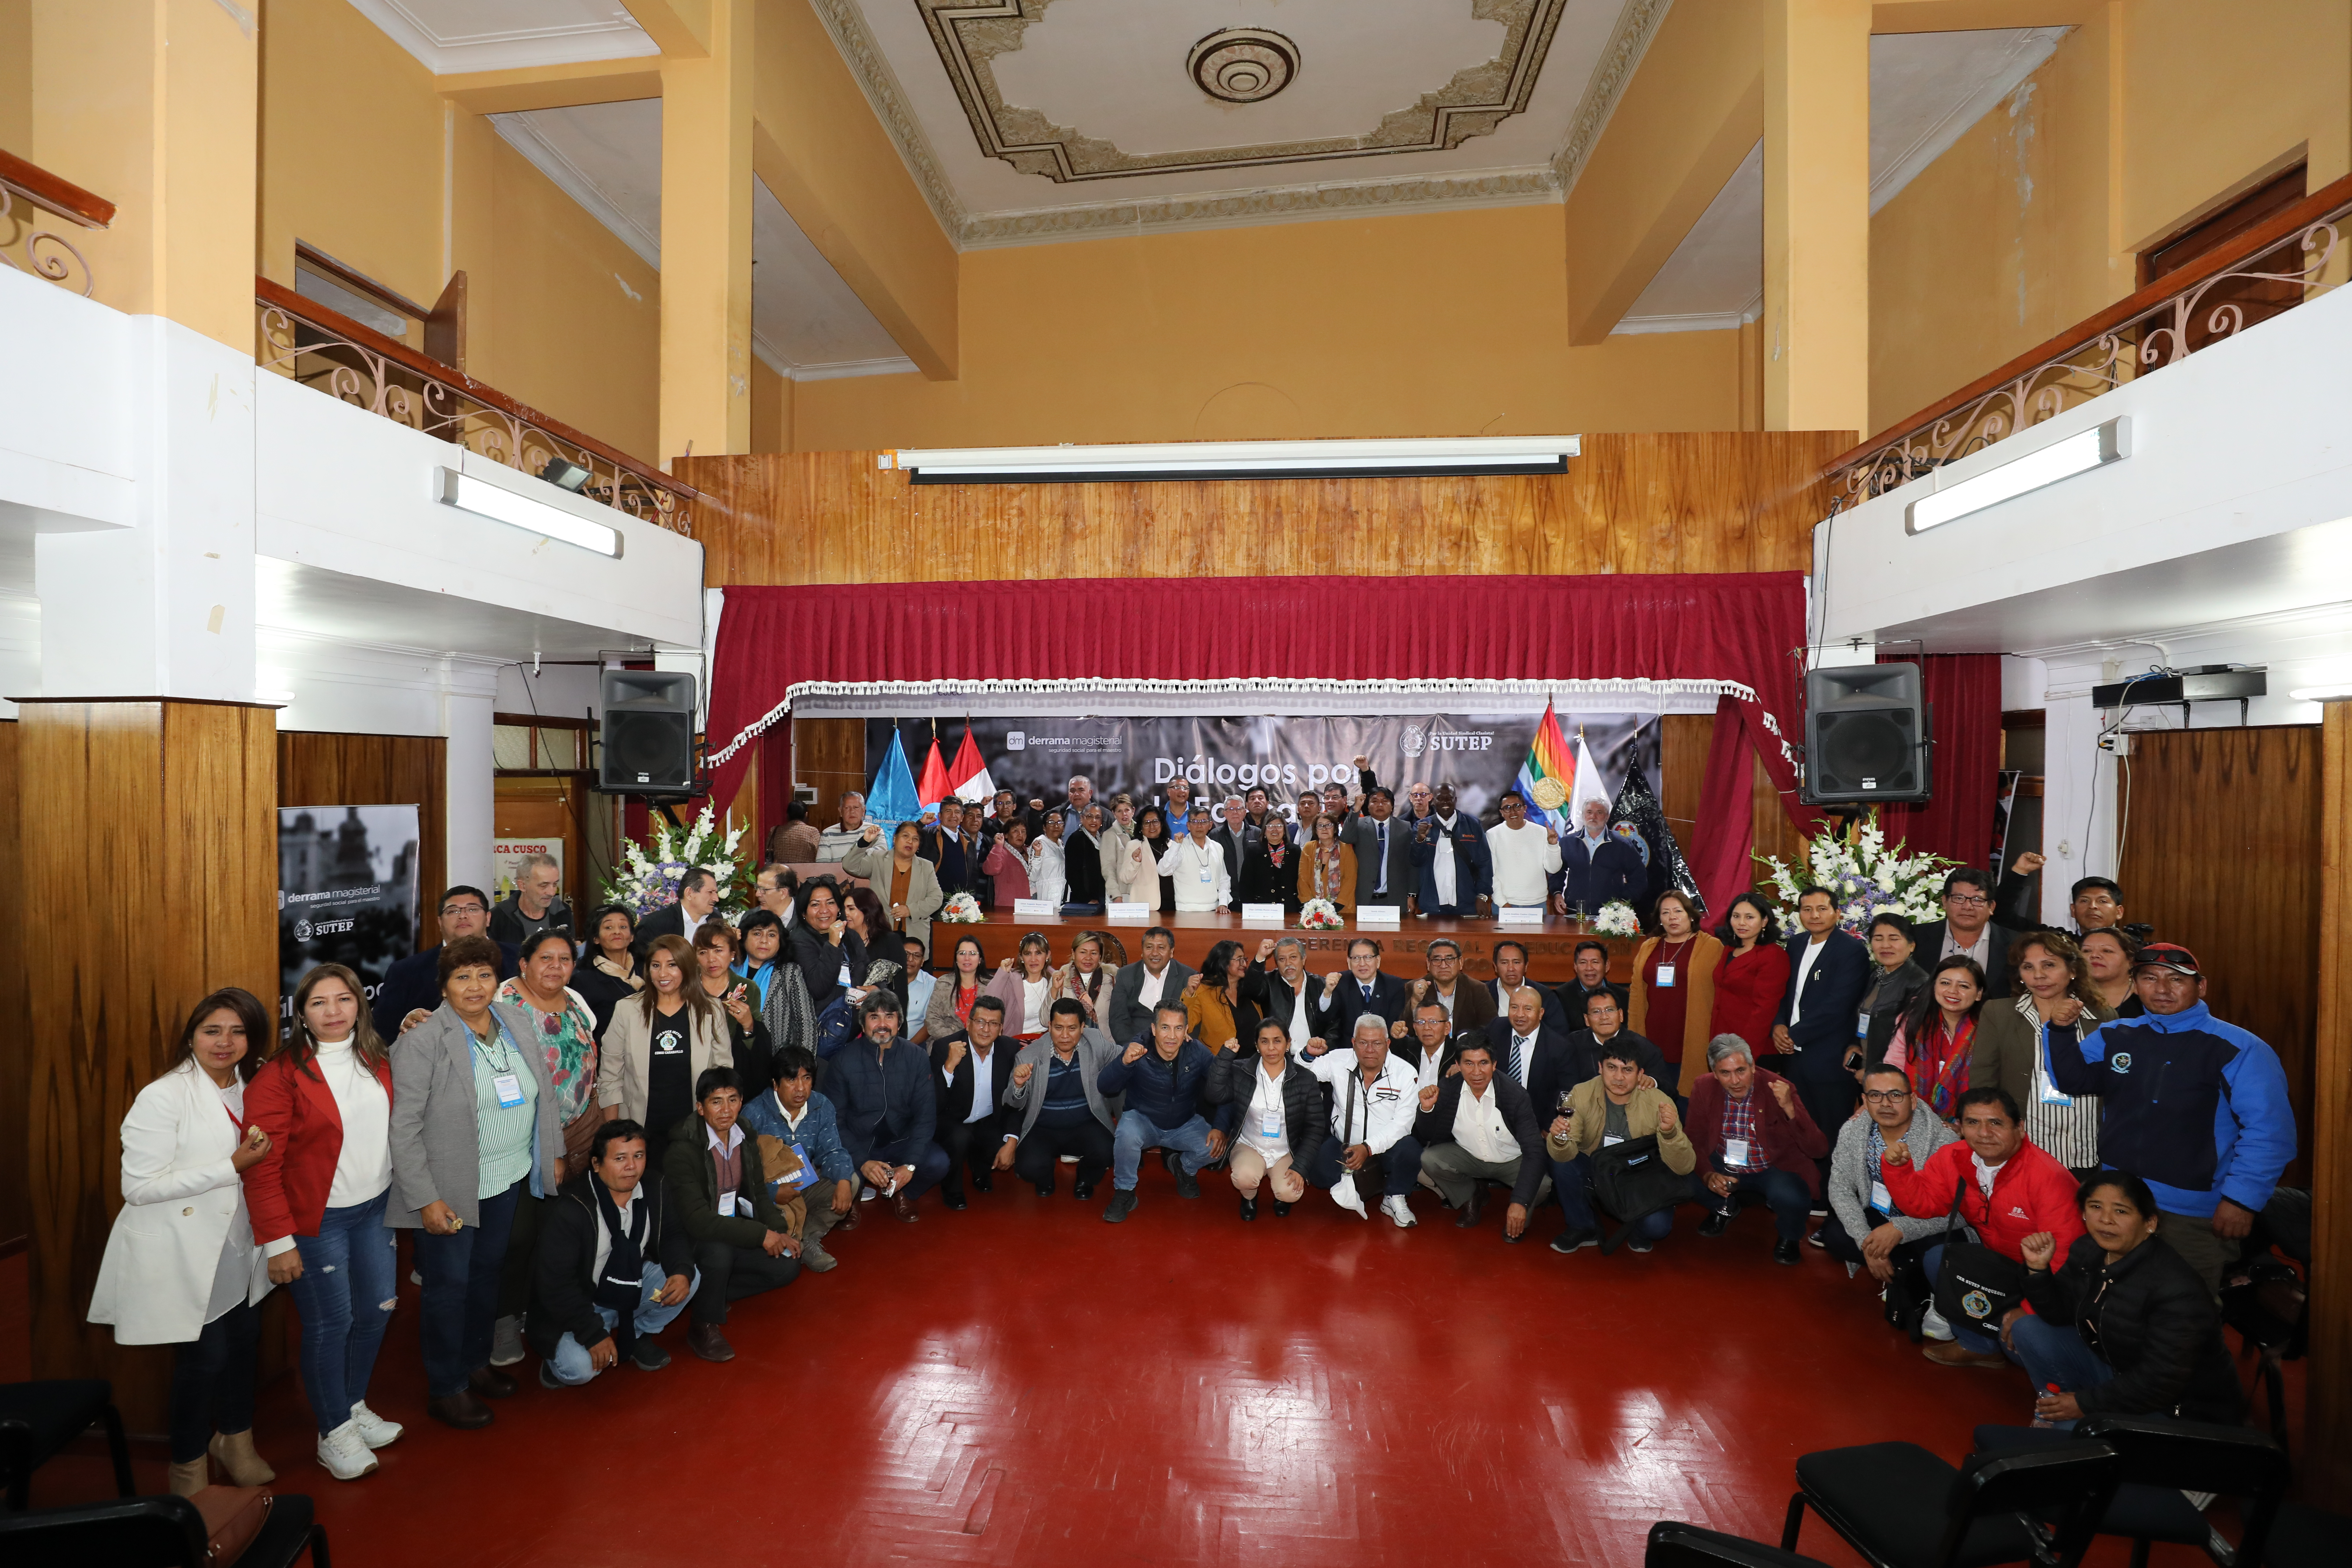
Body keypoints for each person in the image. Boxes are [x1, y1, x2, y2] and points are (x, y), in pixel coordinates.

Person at [91, 988, 278, 1496]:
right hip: (183, 1251)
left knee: (244, 1348)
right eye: (212, 1031)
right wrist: (229, 1168)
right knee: (205, 1361)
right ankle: (187, 1466)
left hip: (239, 1246)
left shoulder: (252, 1087)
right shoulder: (163, 1095)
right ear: (191, 1036)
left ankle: (235, 1443)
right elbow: (139, 1187)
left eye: (238, 1031)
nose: (225, 1042)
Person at [2046, 943, 2296, 1295]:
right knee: (2117, 1301)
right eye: (2150, 978)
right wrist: (2059, 1031)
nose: (2162, 989)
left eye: (2176, 979)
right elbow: (2072, 1081)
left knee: (2185, 1317)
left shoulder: (2240, 1048)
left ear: (2201, 986)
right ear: (2135, 985)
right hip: (2121, 1199)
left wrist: (2242, 1201)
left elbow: (2270, 1134)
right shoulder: (2116, 1035)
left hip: (2193, 1213)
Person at [388, 935, 564, 1430]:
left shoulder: (514, 1020)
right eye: (462, 976)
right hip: (452, 1188)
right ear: (443, 986)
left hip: (507, 1178)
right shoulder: (423, 1041)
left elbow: (541, 1093)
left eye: (484, 974)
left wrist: (548, 1154)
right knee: (449, 1287)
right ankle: (446, 1388)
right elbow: (402, 1128)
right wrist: (426, 1198)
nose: (475, 986)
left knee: (488, 1277)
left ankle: (474, 1363)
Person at [242, 965, 401, 1480]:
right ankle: (333, 1432)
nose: (334, 1012)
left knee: (377, 1311)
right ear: (301, 1014)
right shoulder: (279, 1076)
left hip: (376, 1208)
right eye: (319, 1003)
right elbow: (262, 1170)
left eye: (344, 1000)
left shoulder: (377, 1058)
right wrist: (278, 1243)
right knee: (332, 1324)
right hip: (317, 1222)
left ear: (360, 1003)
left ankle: (352, 1406)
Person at [2007, 1171, 2245, 1426]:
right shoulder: (2088, 1250)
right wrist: (2037, 1271)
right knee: (2028, 1329)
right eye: (2096, 1207)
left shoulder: (2177, 1290)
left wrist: (2084, 1405)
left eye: (2121, 1211)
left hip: (2176, 1406)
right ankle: (2060, 1404)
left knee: (2073, 1430)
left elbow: (2161, 1381)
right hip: (2117, 1368)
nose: (2106, 1220)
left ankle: (2073, 1416)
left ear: (2150, 1223)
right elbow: (2060, 1315)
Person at [1878, 1086, 2087, 1367]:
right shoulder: (1954, 1157)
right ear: (1961, 1128)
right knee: (1940, 1259)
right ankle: (1978, 1345)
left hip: (2048, 1281)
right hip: (2003, 1267)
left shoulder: (2048, 1178)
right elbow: (1923, 1204)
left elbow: (2067, 1257)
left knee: (2026, 1347)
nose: (1984, 1133)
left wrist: (2029, 1309)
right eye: (1973, 1123)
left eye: (1996, 1123)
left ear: (2020, 1128)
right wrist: (1900, 1170)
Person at [486, 930, 606, 1372]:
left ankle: (547, 1312)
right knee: (519, 1237)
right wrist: (550, 1144)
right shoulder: (501, 1006)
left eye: (565, 959)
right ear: (523, 964)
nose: (556, 967)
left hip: (582, 1131)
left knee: (562, 1232)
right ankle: (503, 1319)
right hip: (528, 1138)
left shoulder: (575, 999)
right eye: (545, 959)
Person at [530, 1118, 696, 1386]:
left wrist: (681, 1272)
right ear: (596, 1164)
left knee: (690, 1276)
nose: (631, 1167)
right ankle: (559, 1361)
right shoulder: (572, 1208)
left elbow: (672, 1235)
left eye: (639, 1156)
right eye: (620, 1158)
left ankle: (639, 1334)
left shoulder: (655, 1186)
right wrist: (592, 1334)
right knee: (581, 1370)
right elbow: (556, 1285)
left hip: (628, 1284)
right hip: (582, 1302)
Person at [665, 1068, 799, 1363]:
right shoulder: (682, 1150)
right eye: (716, 1102)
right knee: (719, 1253)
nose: (726, 1110)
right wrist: (762, 1235)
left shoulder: (744, 1136)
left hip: (733, 1226)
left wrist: (779, 1230)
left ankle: (711, 1293)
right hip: (692, 1238)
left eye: (733, 1100)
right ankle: (703, 1325)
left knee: (787, 1266)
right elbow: (698, 1220)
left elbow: (758, 1194)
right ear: (700, 1108)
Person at [1971, 930, 2113, 1175]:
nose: (2039, 975)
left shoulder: (2103, 1017)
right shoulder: (1999, 1013)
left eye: (2049, 965)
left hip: (2086, 1148)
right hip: (2024, 1148)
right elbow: (1983, 1080)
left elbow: (2114, 1083)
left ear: (2073, 970)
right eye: (2028, 967)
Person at [1545, 1037, 1694, 1254]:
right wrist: (1560, 1139)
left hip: (1640, 1175)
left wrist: (1670, 1134)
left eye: (1627, 1070)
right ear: (1600, 1068)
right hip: (1597, 1168)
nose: (1619, 1077)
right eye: (1612, 1068)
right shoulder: (1581, 1093)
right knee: (1563, 1164)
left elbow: (1685, 1167)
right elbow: (1564, 1154)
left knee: (1658, 1229)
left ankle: (1639, 1230)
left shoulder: (1660, 1102)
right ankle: (1583, 1227)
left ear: (1640, 1074)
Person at [1688, 1035, 1828, 1264]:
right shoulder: (1703, 1087)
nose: (1735, 1081)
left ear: (1754, 1067)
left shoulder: (1779, 1088)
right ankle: (1724, 1209)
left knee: (1792, 1196)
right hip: (1725, 1164)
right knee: (1684, 1175)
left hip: (1772, 1167)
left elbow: (1819, 1149)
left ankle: (1789, 1236)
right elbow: (1693, 1138)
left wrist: (1790, 1108)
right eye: (1725, 1073)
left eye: (1741, 1070)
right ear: (1714, 1073)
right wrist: (1707, 1174)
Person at [1820, 1062, 1960, 1278]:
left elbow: (1960, 1213)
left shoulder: (1944, 1141)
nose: (1886, 1104)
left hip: (1926, 1222)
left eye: (1896, 1095)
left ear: (1913, 1100)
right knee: (1836, 1236)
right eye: (1876, 1095)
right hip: (1879, 1211)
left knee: (1940, 1251)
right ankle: (1905, 1271)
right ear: (1865, 1101)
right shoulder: (1853, 1131)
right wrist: (1868, 1244)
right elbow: (1840, 1189)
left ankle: (1909, 1274)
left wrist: (1900, 1229)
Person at [1097, 1003, 1232, 1223]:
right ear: (1153, 1029)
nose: (1172, 1036)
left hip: (1185, 1123)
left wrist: (1220, 1127)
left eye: (1179, 1028)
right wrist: (1124, 1063)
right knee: (1127, 1133)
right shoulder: (1137, 1050)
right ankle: (1125, 1191)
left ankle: (1183, 1166)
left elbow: (1223, 1087)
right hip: (1144, 1121)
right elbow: (1105, 1087)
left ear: (1187, 1029)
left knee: (1216, 1148)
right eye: (1165, 1028)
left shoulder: (1197, 1051)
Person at [1770, 886, 1873, 1169]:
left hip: (1829, 1058)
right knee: (1798, 1126)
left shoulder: (1852, 951)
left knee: (1830, 1131)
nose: (1814, 915)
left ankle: (1832, 1199)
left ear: (1838, 914)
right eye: (1807, 910)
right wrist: (1778, 1025)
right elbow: (1786, 993)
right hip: (1794, 1057)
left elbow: (1838, 1006)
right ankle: (1808, 1190)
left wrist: (1794, 1034)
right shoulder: (1796, 944)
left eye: (1822, 909)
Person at [822, 991, 948, 1221]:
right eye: (874, 1017)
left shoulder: (917, 1057)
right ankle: (855, 1194)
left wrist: (909, 1165)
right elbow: (834, 1121)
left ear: (899, 1023)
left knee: (938, 1163)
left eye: (889, 1017)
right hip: (859, 1141)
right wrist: (863, 1161)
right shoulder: (843, 1061)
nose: (882, 1025)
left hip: (901, 1140)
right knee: (839, 1170)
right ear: (863, 1024)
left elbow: (926, 1116)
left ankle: (903, 1193)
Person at [1413, 1037, 1548, 1240]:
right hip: (1469, 1155)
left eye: (1483, 1063)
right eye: (1469, 1064)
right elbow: (1427, 1135)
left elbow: (1535, 1151)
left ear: (1494, 1064)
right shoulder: (1449, 1089)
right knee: (1429, 1160)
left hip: (1511, 1162)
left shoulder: (1515, 1095)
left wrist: (1519, 1202)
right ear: (1458, 1066)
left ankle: (1518, 1216)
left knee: (1543, 1186)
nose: (1477, 1072)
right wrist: (1427, 1109)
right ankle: (1472, 1196)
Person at [739, 1045, 855, 1271]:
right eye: (792, 1080)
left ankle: (809, 1238)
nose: (800, 1088)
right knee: (780, 1262)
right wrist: (772, 1192)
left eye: (807, 1078)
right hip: (768, 1193)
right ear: (775, 1084)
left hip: (805, 1181)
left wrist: (844, 1181)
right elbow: (740, 1175)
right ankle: (786, 1235)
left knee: (850, 1180)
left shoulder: (821, 1106)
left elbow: (833, 1151)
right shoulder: (753, 1115)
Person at [1302, 1015, 1424, 1227]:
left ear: (1387, 1044)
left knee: (1412, 1150)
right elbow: (1302, 1075)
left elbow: (1403, 1124)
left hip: (1387, 1146)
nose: (1370, 1050)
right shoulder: (1337, 1060)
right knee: (1319, 1173)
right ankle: (1354, 1183)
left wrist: (1367, 1149)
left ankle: (1395, 1196)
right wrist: (1307, 1055)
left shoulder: (1405, 1073)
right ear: (1353, 1043)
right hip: (1344, 1142)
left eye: (1377, 1043)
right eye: (1363, 1043)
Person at [1000, 997, 1122, 1197]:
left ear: (1083, 1027)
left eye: (1072, 1028)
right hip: (1043, 1128)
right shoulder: (1028, 1056)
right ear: (1049, 1026)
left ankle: (1085, 1179)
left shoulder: (1096, 1043)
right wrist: (1018, 1086)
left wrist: (1156, 1046)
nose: (1065, 1036)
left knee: (1107, 1151)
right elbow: (1012, 1103)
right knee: (1029, 1166)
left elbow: (1125, 1057)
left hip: (1087, 1125)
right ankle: (1045, 1179)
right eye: (1058, 1028)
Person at [1207, 1019, 1328, 1219]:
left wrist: (1301, 1167)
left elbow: (1315, 1128)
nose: (1271, 1048)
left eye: (1278, 1041)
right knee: (1244, 1178)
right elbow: (1214, 1095)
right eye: (1264, 1042)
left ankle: (1281, 1197)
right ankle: (1249, 1197)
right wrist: (1225, 1057)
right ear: (1257, 1045)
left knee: (1290, 1192)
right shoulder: (1242, 1071)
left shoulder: (1305, 1079)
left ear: (1288, 1044)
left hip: (1286, 1149)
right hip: (1250, 1144)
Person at [372, 886, 520, 1039]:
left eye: (472, 909)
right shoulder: (406, 971)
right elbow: (381, 1032)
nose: (463, 916)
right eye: (453, 911)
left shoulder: (520, 958)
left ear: (488, 918)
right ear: (440, 922)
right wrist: (408, 1025)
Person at [929, 996, 1021, 1210]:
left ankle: (980, 1168)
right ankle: (951, 1189)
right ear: (968, 1024)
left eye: (993, 1024)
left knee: (1005, 1144)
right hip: (952, 1120)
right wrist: (949, 1067)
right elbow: (934, 1104)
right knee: (961, 1138)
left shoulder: (1010, 1049)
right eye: (980, 1022)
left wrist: (1012, 1141)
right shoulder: (945, 1048)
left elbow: (1016, 1100)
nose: (986, 1029)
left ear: (1001, 1028)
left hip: (988, 1119)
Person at [1627, 890, 1721, 1097]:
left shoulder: (1711, 946)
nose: (1672, 918)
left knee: (1689, 1102)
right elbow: (1636, 995)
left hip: (1692, 1037)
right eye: (1665, 913)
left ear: (1691, 915)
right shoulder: (1649, 947)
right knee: (1654, 1103)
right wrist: (1633, 1037)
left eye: (1678, 911)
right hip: (1652, 1036)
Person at [1882, 955, 1988, 1122]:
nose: (1953, 991)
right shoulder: (1913, 1021)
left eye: (1964, 986)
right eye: (1945, 983)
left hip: (1973, 1119)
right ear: (1933, 986)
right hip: (1914, 1115)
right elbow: (1893, 1069)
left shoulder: (1988, 1028)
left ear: (1979, 994)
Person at [693, 921, 774, 1102]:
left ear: (732, 954)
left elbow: (756, 1046)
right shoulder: (688, 988)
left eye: (719, 950)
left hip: (734, 1075)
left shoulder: (748, 988)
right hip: (692, 1072)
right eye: (703, 952)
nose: (711, 959)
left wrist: (748, 1024)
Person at [1709, 893, 1791, 1069]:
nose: (1741, 923)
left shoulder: (1773, 956)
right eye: (1736, 916)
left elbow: (1765, 1009)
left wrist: (1745, 1053)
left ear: (1764, 922)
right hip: (1722, 1041)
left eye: (1750, 917)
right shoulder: (1728, 949)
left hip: (1753, 1048)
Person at [1909, 868, 2018, 999]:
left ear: (1991, 907)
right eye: (1959, 898)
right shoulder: (1914, 938)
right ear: (1944, 902)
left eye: (1977, 900)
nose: (1968, 907)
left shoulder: (2017, 944)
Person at [846, 818, 945, 961]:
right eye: (906, 836)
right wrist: (865, 842)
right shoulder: (878, 859)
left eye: (915, 839)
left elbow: (937, 899)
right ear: (894, 839)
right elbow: (850, 866)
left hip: (914, 934)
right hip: (881, 932)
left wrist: (911, 910)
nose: (910, 842)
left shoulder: (926, 866)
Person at [1559, 988, 1671, 1095]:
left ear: (1621, 1015)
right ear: (1587, 1020)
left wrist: (1653, 1081)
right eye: (1596, 1012)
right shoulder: (1572, 1045)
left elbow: (1670, 1090)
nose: (1604, 1017)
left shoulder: (1643, 1047)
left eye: (1610, 1010)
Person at [784, 876, 869, 1017]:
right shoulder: (797, 941)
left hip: (853, 1021)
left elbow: (867, 970)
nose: (824, 910)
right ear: (804, 912)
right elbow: (819, 989)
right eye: (815, 905)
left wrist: (875, 988)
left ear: (838, 908)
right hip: (820, 1026)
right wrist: (833, 945)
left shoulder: (851, 936)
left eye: (830, 903)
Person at [1486, 985, 1577, 1113]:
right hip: (1494, 1114)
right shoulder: (1497, 1028)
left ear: (1541, 1014)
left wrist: (1548, 1127)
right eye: (1514, 1007)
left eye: (1528, 1009)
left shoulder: (1560, 1048)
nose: (1520, 1015)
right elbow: (1474, 1041)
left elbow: (1565, 1092)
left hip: (1536, 1121)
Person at [1240, 936, 1332, 1060]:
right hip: (1279, 1059)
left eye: (1293, 957)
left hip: (1316, 1058)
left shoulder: (1321, 985)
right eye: (1282, 959)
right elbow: (1251, 989)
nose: (1288, 964)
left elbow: (1334, 1025)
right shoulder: (1269, 983)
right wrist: (1260, 958)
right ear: (1277, 963)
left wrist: (1326, 1049)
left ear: (1304, 959)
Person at [1409, 783, 1491, 918]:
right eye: (1441, 799)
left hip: (1467, 904)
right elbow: (1416, 862)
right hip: (1432, 905)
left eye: (1450, 798)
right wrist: (1420, 839)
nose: (1445, 802)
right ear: (1434, 801)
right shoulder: (1422, 826)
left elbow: (1485, 863)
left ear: (1456, 800)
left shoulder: (1472, 824)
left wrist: (1482, 895)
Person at [1107, 926, 1197, 1047]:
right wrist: (1130, 1046)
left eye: (1161, 948)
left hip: (1175, 1048)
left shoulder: (1188, 977)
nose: (1155, 953)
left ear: (1171, 952)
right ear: (1142, 951)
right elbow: (1118, 1019)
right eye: (1149, 947)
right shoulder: (1126, 975)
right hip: (1136, 1047)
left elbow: (1193, 1022)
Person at [1860, 912, 1928, 1064]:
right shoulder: (1876, 975)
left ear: (1912, 945)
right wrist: (1854, 1045)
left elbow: (1911, 1041)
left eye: (1894, 939)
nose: (1885, 945)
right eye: (1878, 939)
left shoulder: (1920, 983)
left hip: (1890, 1070)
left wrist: (1876, 1071)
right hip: (1866, 1062)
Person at [1559, 796, 1642, 915]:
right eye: (1589, 812)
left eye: (1599, 813)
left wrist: (1624, 900)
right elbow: (1557, 871)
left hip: (1610, 915)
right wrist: (1557, 893)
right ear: (1584, 816)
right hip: (1575, 911)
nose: (1593, 817)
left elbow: (1639, 878)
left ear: (1607, 817)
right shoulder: (1568, 842)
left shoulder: (1622, 845)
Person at [1319, 937, 1411, 1044]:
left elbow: (1394, 1023)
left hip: (1383, 1050)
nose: (1362, 964)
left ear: (1378, 961)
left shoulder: (1394, 985)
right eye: (1356, 958)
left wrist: (1396, 1030)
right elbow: (1325, 1019)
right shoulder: (1340, 983)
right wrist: (1328, 992)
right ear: (1349, 962)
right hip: (1348, 1049)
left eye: (1368, 957)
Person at [574, 903, 645, 1039]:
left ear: (632, 936)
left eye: (623, 927)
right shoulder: (584, 980)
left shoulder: (648, 968)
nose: (617, 932)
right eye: (608, 928)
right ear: (596, 938)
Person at [1486, 790, 1562, 910]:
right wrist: (1503, 903)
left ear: (1525, 808)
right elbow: (1491, 874)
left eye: (1517, 806)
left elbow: (1553, 869)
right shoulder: (1492, 835)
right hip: (1504, 904)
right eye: (1507, 808)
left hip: (1537, 904)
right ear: (1502, 813)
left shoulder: (1542, 832)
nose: (1513, 812)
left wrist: (1553, 846)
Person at [1406, 938, 1497, 1037]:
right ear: (1428, 964)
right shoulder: (1414, 988)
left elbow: (1491, 1029)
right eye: (1437, 960)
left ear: (1461, 963)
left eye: (1450, 959)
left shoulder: (1478, 989)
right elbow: (1406, 1031)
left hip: (1464, 1049)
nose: (1444, 966)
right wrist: (1415, 1001)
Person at [1340, 782, 1408, 910]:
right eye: (1375, 801)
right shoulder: (1359, 825)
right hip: (1364, 896)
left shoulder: (1405, 828)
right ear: (1368, 806)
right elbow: (1345, 839)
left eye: (1385, 801)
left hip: (1395, 897)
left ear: (1392, 806)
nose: (1380, 805)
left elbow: (1410, 864)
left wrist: (1412, 895)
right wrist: (1356, 809)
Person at [1188, 939, 1260, 1058]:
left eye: (1244, 959)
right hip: (1219, 1063)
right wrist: (1189, 994)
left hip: (1254, 1064)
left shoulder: (1250, 987)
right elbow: (1188, 1025)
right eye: (1239, 960)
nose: (1244, 964)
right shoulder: (1203, 991)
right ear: (1224, 962)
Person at [985, 932, 1060, 1043]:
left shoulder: (1056, 981)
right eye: (1028, 954)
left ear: (1048, 955)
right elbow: (989, 1002)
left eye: (1038, 953)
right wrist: (1002, 974)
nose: (1033, 959)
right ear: (1021, 957)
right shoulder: (1012, 980)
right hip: (1016, 1042)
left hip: (1048, 1041)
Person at [488, 853, 572, 948]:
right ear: (522, 886)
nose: (552, 893)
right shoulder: (499, 917)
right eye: (544, 886)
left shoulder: (562, 911)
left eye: (555, 884)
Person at [635, 867, 723, 958]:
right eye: (710, 892)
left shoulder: (716, 919)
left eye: (716, 893)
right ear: (689, 893)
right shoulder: (655, 924)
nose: (716, 899)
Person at [1158, 805, 1230, 913]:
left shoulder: (1217, 847)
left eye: (1203, 821)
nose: (1199, 826)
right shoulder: (1179, 847)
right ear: (1188, 826)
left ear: (1210, 825)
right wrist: (1176, 846)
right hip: (1185, 910)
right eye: (1195, 822)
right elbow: (1163, 871)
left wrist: (1224, 903)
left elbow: (1224, 879)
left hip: (1214, 909)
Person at [1487, 940, 1569, 1035]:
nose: (1511, 968)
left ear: (1526, 966)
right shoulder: (1483, 993)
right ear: (1496, 967)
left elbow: (1559, 1033)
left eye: (1516, 962)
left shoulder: (1544, 995)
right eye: (1505, 963)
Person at [926, 934, 990, 1043]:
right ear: (956, 959)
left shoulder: (991, 985)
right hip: (947, 1042)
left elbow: (995, 1021)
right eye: (962, 953)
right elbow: (932, 1019)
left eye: (973, 954)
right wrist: (956, 1041)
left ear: (980, 960)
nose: (967, 958)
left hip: (981, 1044)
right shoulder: (943, 983)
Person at [1050, 930, 1118, 1031]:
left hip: (1104, 1045)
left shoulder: (1112, 980)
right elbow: (1045, 1020)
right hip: (1069, 1044)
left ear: (1100, 956)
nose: (1088, 958)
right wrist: (1054, 990)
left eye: (1094, 953)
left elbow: (1121, 1018)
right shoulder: (1061, 979)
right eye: (1083, 952)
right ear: (1073, 954)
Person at [1239, 815, 1302, 912]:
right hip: (1261, 909)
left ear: (1285, 830)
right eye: (1270, 826)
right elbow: (1245, 884)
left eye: (1279, 826)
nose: (1275, 830)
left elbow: (1301, 881)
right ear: (1264, 830)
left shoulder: (1295, 851)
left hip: (1290, 909)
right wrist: (1249, 909)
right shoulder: (1254, 851)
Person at [921, 799, 982, 898]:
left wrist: (970, 898)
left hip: (960, 904)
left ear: (962, 818)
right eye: (948, 811)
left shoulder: (968, 841)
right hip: (932, 901)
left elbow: (973, 875)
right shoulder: (927, 835)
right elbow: (908, 836)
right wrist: (921, 823)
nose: (953, 816)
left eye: (957, 812)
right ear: (940, 816)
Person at [2079, 926, 2144, 1017]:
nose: (2094, 955)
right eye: (2087, 951)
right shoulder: (2068, 996)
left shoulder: (2146, 998)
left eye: (2107, 951)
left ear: (2130, 961)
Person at [1298, 811, 1357, 912]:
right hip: (1314, 910)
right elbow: (1303, 879)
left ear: (1335, 829)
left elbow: (1350, 880)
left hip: (1343, 909)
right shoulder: (1309, 848)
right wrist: (1310, 906)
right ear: (1316, 830)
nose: (1324, 829)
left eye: (1328, 825)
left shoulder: (1346, 849)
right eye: (1320, 826)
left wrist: (1336, 907)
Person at [1209, 797, 1259, 912]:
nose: (1235, 812)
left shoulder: (1257, 833)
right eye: (1231, 809)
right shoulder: (1215, 835)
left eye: (1239, 809)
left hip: (1253, 894)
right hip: (1226, 896)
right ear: (1224, 813)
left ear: (1245, 812)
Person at [1558, 940, 1628, 1020]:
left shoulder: (1622, 995)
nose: (1589, 968)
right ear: (1576, 967)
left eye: (1595, 962)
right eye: (1583, 962)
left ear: (1607, 966)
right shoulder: (1561, 997)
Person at [1101, 795, 1150, 905]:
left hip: (1144, 892)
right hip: (1122, 896)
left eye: (1127, 810)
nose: (1124, 814)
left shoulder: (1145, 832)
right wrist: (1116, 896)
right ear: (1114, 814)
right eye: (1119, 811)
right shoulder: (1109, 835)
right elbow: (1108, 869)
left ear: (1133, 811)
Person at [1134, 805, 1177, 912]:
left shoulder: (1171, 845)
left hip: (1174, 905)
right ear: (1141, 827)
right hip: (1148, 906)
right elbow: (1125, 878)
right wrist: (1135, 862)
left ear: (1162, 824)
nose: (1152, 826)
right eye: (1147, 823)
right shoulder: (1134, 846)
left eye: (1155, 821)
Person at [1065, 804, 1109, 909]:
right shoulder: (1076, 839)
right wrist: (1086, 899)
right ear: (1082, 818)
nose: (1094, 821)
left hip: (1101, 897)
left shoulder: (1102, 839)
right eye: (1090, 816)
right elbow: (1072, 874)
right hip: (1085, 901)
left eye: (1098, 817)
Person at [1026, 810, 1071, 906]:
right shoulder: (1039, 843)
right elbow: (1033, 877)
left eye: (1060, 823)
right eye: (1051, 823)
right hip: (1048, 897)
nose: (1056, 826)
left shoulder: (1061, 844)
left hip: (1064, 896)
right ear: (1044, 827)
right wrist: (1037, 855)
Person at [770, 798, 822, 865]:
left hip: (781, 872)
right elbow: (820, 855)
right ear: (806, 814)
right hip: (806, 871)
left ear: (788, 815)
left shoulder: (775, 831)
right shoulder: (812, 832)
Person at [817, 790, 867, 860]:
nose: (852, 811)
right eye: (847, 808)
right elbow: (823, 865)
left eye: (856, 807)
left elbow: (880, 863)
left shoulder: (874, 831)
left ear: (864, 811)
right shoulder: (828, 834)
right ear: (840, 811)